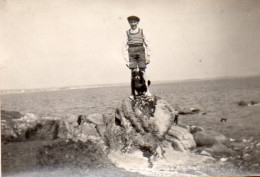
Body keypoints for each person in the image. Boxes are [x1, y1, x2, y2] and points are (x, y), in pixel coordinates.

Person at [122, 15, 151, 98]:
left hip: (141, 50)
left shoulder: (142, 31)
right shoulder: (127, 33)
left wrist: (148, 56)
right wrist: (126, 60)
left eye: (134, 22)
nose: (133, 24)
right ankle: (132, 93)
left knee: (143, 71)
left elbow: (148, 44)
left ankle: (147, 91)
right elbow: (123, 46)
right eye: (131, 22)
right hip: (131, 52)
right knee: (133, 73)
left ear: (137, 22)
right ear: (129, 23)